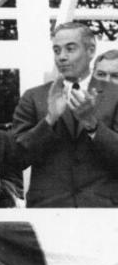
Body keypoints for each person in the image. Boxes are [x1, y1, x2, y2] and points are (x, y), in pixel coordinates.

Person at [12, 22, 118, 207]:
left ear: (91, 50)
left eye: (70, 49)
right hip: (48, 210)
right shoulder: (34, 97)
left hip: (103, 211)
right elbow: (15, 158)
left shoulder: (114, 95)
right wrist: (49, 120)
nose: (62, 57)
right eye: (57, 50)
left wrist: (92, 125)